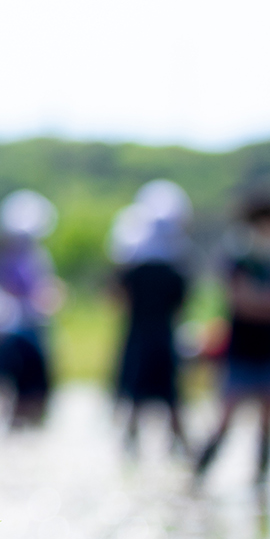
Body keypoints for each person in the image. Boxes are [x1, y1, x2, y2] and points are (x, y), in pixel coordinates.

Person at [194, 190, 270, 484]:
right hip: (239, 350)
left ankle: (261, 488)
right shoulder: (237, 257)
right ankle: (197, 479)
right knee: (225, 420)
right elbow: (243, 302)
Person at [107, 180, 191, 456]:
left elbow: (116, 299)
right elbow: (182, 305)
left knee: (134, 399)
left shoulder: (133, 267)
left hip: (138, 337)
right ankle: (179, 450)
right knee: (171, 401)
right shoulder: (175, 269)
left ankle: (131, 449)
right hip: (164, 337)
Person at [0, 190, 63, 429]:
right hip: (18, 326)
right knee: (20, 376)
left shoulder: (25, 255)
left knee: (27, 378)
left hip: (29, 324)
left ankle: (24, 418)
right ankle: (18, 418)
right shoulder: (12, 257)